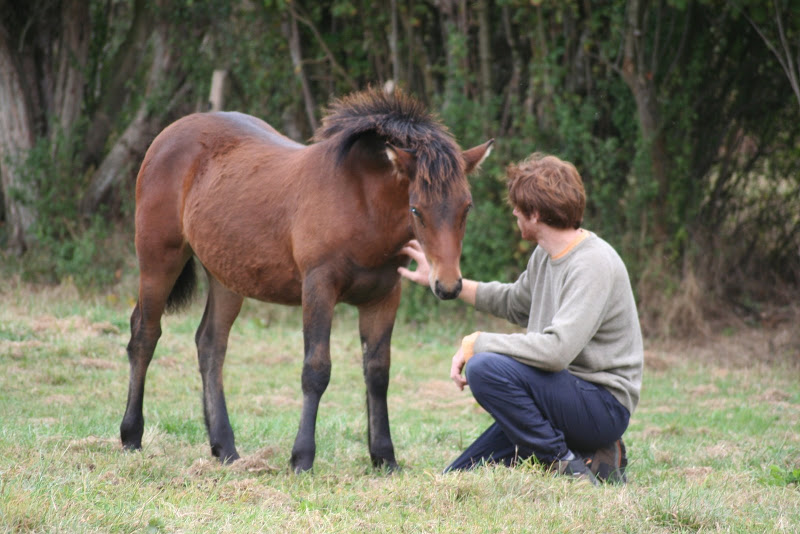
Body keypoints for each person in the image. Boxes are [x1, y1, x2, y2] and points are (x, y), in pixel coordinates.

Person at [398, 153, 643, 485]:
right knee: (458, 476)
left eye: (518, 207)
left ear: (536, 213)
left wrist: (478, 343)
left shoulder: (593, 263)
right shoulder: (545, 255)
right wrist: (443, 280)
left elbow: (557, 350)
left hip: (601, 405)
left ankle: (566, 464)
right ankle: (596, 454)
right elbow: (514, 302)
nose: (513, 212)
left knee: (484, 367)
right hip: (558, 396)